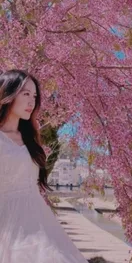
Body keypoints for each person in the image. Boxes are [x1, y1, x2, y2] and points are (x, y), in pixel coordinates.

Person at [0, 69, 88, 263]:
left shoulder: (30, 139)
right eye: (25, 94)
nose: (32, 102)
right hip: (7, 222)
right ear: (8, 93)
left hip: (39, 220)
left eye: (34, 96)